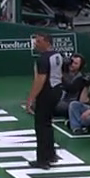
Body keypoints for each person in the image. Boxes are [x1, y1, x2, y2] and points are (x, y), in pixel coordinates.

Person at [27, 33, 64, 169]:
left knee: (41, 126)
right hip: (57, 90)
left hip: (46, 92)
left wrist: (31, 98)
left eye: (39, 41)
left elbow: (40, 80)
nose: (36, 44)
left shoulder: (43, 59)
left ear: (47, 42)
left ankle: (42, 160)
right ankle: (51, 154)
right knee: (47, 123)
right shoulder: (58, 55)